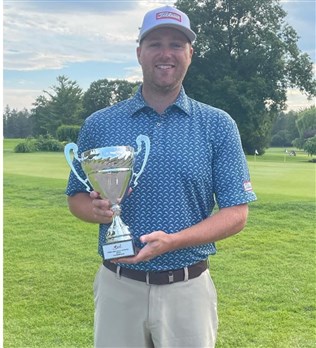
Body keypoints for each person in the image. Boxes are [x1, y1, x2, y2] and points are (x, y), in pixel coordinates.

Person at [66, 5, 257, 348]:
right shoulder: (100, 123)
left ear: (190, 54)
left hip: (188, 288)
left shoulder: (218, 125)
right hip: (118, 286)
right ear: (139, 52)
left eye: (176, 44)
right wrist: (92, 210)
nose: (165, 53)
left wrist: (174, 241)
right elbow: (75, 197)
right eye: (155, 44)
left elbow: (236, 213)